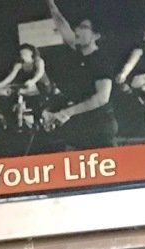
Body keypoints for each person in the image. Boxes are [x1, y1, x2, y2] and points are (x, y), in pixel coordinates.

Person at [41, 2, 118, 145]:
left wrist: (66, 113)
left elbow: (102, 98)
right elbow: (62, 24)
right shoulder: (78, 50)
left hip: (100, 130)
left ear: (96, 35)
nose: (77, 29)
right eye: (77, 27)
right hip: (81, 129)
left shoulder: (100, 60)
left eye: (84, 28)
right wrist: (51, 3)